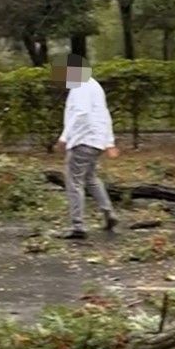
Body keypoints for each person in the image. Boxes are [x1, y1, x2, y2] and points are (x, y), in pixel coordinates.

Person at [54, 54, 120, 239]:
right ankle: (109, 213)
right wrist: (108, 142)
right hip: (96, 141)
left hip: (83, 140)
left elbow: (81, 113)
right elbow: (105, 115)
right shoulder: (94, 86)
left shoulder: (80, 86)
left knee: (74, 182)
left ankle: (78, 226)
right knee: (90, 178)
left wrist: (64, 137)